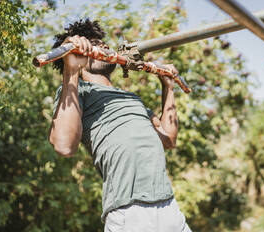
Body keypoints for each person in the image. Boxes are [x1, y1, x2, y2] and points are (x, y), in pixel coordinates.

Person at [49, 19, 191, 232]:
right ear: (81, 54)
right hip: (130, 213)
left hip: (169, 206)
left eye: (104, 43)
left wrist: (168, 89)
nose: (104, 47)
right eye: (95, 44)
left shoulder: (131, 99)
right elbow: (64, 145)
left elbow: (168, 139)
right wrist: (71, 71)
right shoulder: (77, 91)